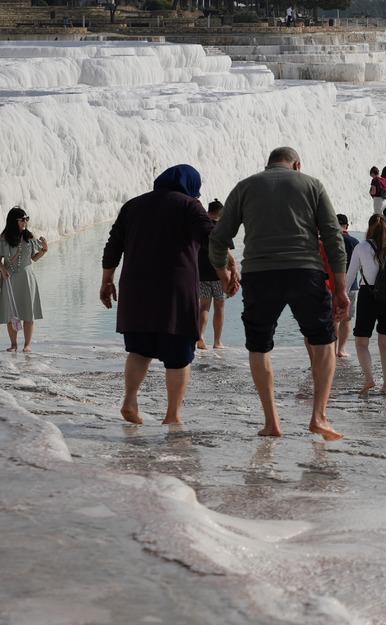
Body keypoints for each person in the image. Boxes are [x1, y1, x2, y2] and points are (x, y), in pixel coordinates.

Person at [209, 147, 349, 441]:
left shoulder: (245, 186)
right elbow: (333, 236)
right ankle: (319, 416)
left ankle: (272, 422)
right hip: (305, 271)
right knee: (324, 340)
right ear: (296, 164)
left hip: (260, 275)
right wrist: (340, 287)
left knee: (259, 346)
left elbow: (219, 238)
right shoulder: (312, 184)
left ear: (268, 164)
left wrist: (224, 275)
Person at [100, 165, 226, 425]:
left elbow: (113, 245)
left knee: (139, 350)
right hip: (174, 293)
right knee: (179, 356)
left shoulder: (133, 206)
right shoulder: (190, 205)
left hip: (136, 291)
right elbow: (212, 239)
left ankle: (130, 400)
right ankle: (172, 416)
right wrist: (227, 271)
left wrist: (106, 281)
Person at [344, 214, 386, 393]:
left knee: (361, 342)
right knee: (385, 344)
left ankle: (369, 379)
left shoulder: (361, 247)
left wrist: (342, 297)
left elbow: (350, 276)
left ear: (369, 228)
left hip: (367, 295)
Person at [0, 208, 47, 352]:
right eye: (22, 219)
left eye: (27, 218)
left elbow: (34, 258)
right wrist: (2, 269)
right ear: (14, 221)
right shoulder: (4, 237)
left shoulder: (29, 236)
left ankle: (27, 344)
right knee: (11, 313)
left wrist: (44, 250)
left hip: (27, 278)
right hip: (9, 279)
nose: (25, 222)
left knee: (28, 312)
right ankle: (13, 344)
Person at [196, 199, 233, 350]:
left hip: (202, 273)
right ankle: (217, 342)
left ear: (208, 211)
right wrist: (232, 269)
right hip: (219, 273)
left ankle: (201, 337)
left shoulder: (200, 227)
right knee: (219, 306)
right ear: (221, 213)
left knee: (204, 305)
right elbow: (227, 251)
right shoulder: (222, 228)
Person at [336, 214, 360, 359]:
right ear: (347, 226)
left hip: (332, 285)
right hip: (351, 286)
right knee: (347, 319)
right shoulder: (355, 242)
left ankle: (331, 350)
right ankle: (341, 349)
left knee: (334, 319)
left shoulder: (328, 241)